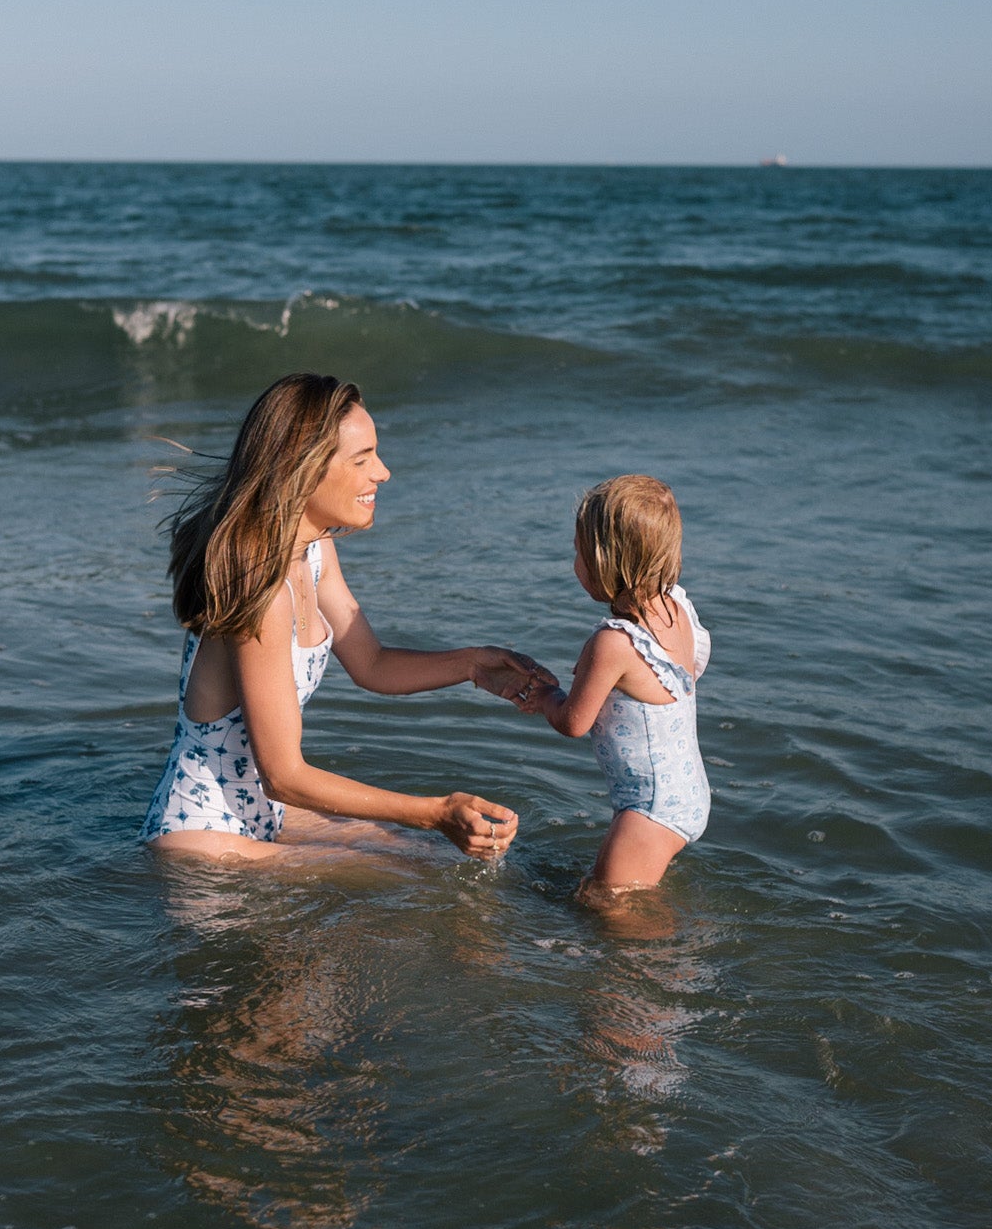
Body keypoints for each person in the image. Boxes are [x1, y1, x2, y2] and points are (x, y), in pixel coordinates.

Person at [140, 372, 550, 863]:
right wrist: (436, 811)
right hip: (203, 837)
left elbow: (371, 663)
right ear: (304, 469)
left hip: (269, 817)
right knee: (416, 880)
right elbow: (284, 774)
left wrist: (473, 665)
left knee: (428, 861)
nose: (383, 472)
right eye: (362, 459)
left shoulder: (314, 551)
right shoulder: (263, 591)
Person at [517, 475, 711, 895]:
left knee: (604, 907)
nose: (574, 564)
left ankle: (671, 961)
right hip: (686, 794)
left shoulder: (614, 642)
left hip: (649, 810)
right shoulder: (676, 609)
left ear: (606, 561)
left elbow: (574, 722)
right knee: (607, 894)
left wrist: (545, 695)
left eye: (578, 553)